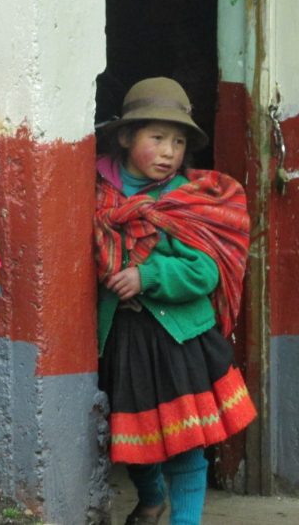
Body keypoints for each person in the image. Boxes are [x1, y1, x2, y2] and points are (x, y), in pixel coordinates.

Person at [94, 77, 256, 525]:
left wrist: (150, 274)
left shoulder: (188, 202)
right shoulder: (98, 195)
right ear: (126, 137)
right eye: (157, 138)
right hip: (126, 340)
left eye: (179, 141)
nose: (169, 151)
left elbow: (205, 271)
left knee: (187, 445)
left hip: (180, 341)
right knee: (136, 440)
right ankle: (150, 500)